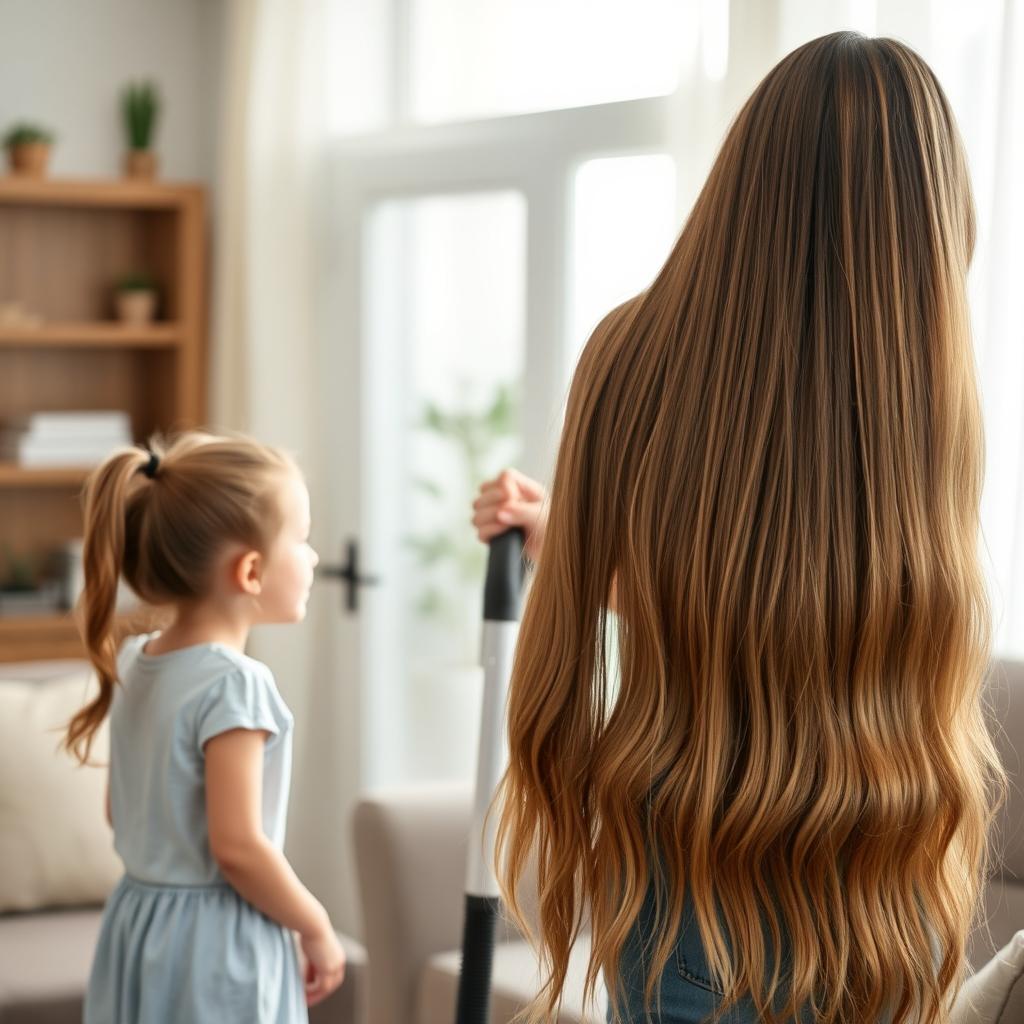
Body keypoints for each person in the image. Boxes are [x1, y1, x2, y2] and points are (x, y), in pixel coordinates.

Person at [473, 31, 1018, 1024]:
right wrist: (572, 533)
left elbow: (726, 582)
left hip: (684, 892)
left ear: (745, 173)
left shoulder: (627, 353)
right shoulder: (924, 402)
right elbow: (787, 593)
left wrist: (578, 543)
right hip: (878, 899)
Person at [63, 431, 345, 1023]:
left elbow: (121, 811)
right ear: (250, 570)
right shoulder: (234, 685)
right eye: (302, 539)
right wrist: (315, 924)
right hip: (216, 947)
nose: (314, 556)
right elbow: (238, 849)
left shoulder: (139, 662)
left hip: (137, 925)